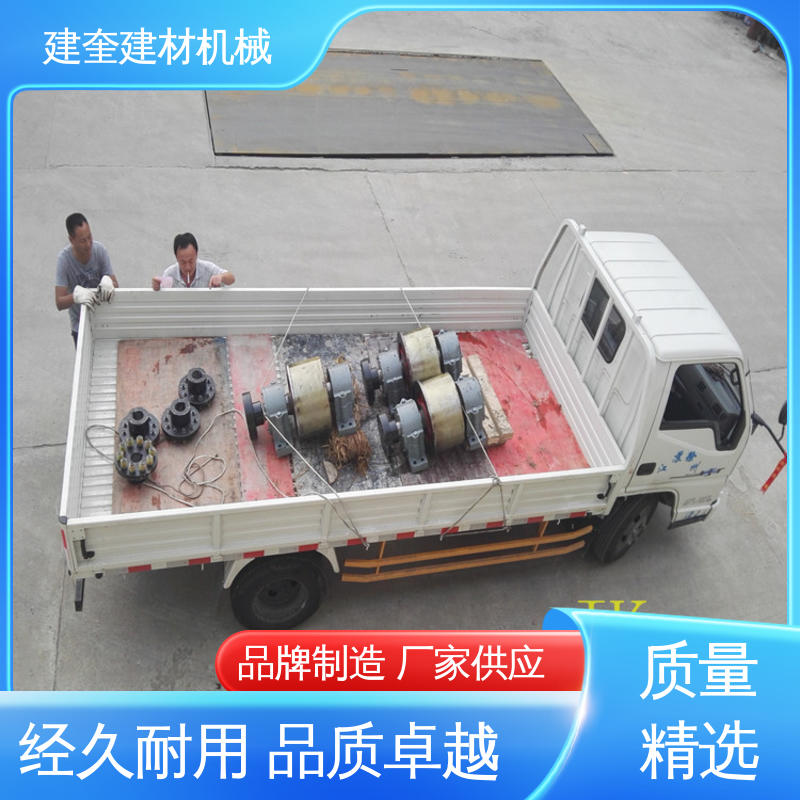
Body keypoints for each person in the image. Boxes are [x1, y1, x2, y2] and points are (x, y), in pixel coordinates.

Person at [55, 213, 118, 345]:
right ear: (72, 240)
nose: (88, 244)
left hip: (104, 320)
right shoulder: (64, 260)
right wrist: (75, 297)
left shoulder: (100, 251)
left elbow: (116, 286)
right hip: (80, 325)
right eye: (83, 241)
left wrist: (109, 282)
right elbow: (59, 302)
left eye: (90, 237)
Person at [152, 233, 235, 290]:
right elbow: (162, 294)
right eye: (183, 262)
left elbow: (231, 278)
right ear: (176, 257)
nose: (187, 267)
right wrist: (157, 287)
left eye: (191, 261)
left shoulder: (207, 269)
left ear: (196, 254)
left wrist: (221, 277)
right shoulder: (170, 274)